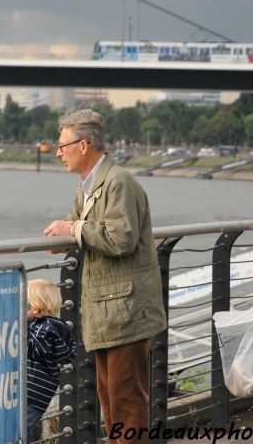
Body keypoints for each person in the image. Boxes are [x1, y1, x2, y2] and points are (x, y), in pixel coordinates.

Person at [43, 109, 166, 442]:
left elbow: (121, 237)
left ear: (84, 145)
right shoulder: (89, 186)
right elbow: (79, 226)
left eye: (62, 145)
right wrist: (62, 235)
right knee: (112, 406)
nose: (57, 153)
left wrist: (74, 228)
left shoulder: (118, 182)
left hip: (126, 313)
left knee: (126, 406)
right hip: (108, 313)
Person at [26, 278, 76, 438]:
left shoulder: (43, 330)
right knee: (22, 432)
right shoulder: (55, 327)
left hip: (31, 394)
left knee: (16, 433)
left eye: (23, 305)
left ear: (35, 309)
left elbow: (31, 346)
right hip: (40, 394)